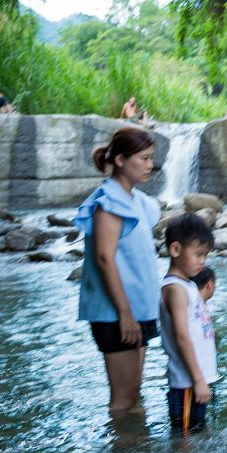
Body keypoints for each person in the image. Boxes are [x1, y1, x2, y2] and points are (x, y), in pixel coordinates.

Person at [73, 127, 160, 413]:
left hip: (139, 310)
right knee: (124, 401)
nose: (150, 165)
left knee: (135, 397)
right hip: (118, 314)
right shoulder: (108, 202)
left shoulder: (136, 201)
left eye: (151, 158)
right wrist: (125, 314)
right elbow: (104, 259)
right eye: (143, 158)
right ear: (120, 160)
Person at [160, 214, 219, 434]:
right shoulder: (175, 289)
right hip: (187, 382)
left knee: (197, 433)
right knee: (183, 440)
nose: (203, 261)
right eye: (198, 254)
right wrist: (198, 379)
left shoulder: (188, 286)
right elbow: (182, 337)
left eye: (205, 255)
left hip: (196, 381)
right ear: (175, 250)